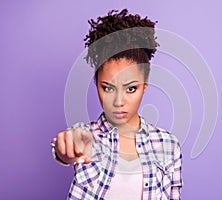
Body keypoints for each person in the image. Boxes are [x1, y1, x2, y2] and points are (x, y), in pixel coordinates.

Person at [51, 9, 183, 200]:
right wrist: (64, 150)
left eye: (131, 89)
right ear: (96, 83)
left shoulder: (169, 145)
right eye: (108, 88)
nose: (118, 102)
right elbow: (63, 148)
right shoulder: (85, 137)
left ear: (144, 86)